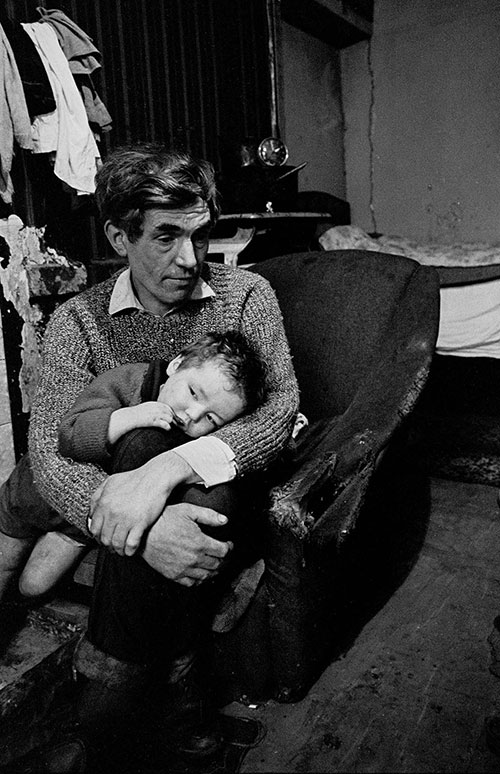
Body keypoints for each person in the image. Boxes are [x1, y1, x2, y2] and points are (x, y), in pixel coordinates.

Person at [2, 143, 299, 772]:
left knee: (165, 458)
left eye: (199, 235)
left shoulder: (247, 297)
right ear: (119, 235)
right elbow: (52, 447)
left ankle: (108, 711)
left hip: (208, 494)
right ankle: (158, 699)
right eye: (166, 237)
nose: (189, 259)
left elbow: (278, 413)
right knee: (121, 448)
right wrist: (140, 528)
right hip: (127, 506)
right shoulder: (78, 321)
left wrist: (169, 470)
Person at [0, 330, 266, 599]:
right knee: (4, 565)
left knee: (32, 586)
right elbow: (69, 436)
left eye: (211, 419)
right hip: (30, 495)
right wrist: (130, 417)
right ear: (176, 365)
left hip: (79, 522)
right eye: (193, 392)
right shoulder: (128, 381)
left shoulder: (185, 438)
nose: (192, 416)